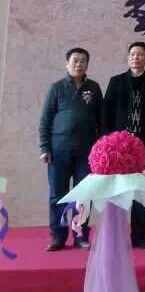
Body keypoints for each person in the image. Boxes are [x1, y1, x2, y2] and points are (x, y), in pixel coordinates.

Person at [39, 47, 103, 251]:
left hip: (86, 152)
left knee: (83, 195)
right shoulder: (57, 88)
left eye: (83, 61)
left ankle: (80, 236)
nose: (78, 64)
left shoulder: (93, 88)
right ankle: (57, 237)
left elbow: (101, 120)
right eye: (75, 60)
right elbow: (45, 120)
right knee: (57, 195)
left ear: (87, 64)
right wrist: (44, 147)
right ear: (67, 63)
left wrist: (101, 149)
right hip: (58, 151)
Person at [103, 42, 145, 249]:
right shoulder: (116, 81)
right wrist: (108, 142)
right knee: (119, 191)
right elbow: (107, 113)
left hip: (142, 146)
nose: (135, 57)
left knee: (140, 190)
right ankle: (117, 235)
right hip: (119, 146)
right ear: (128, 57)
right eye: (132, 54)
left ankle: (138, 235)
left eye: (140, 54)